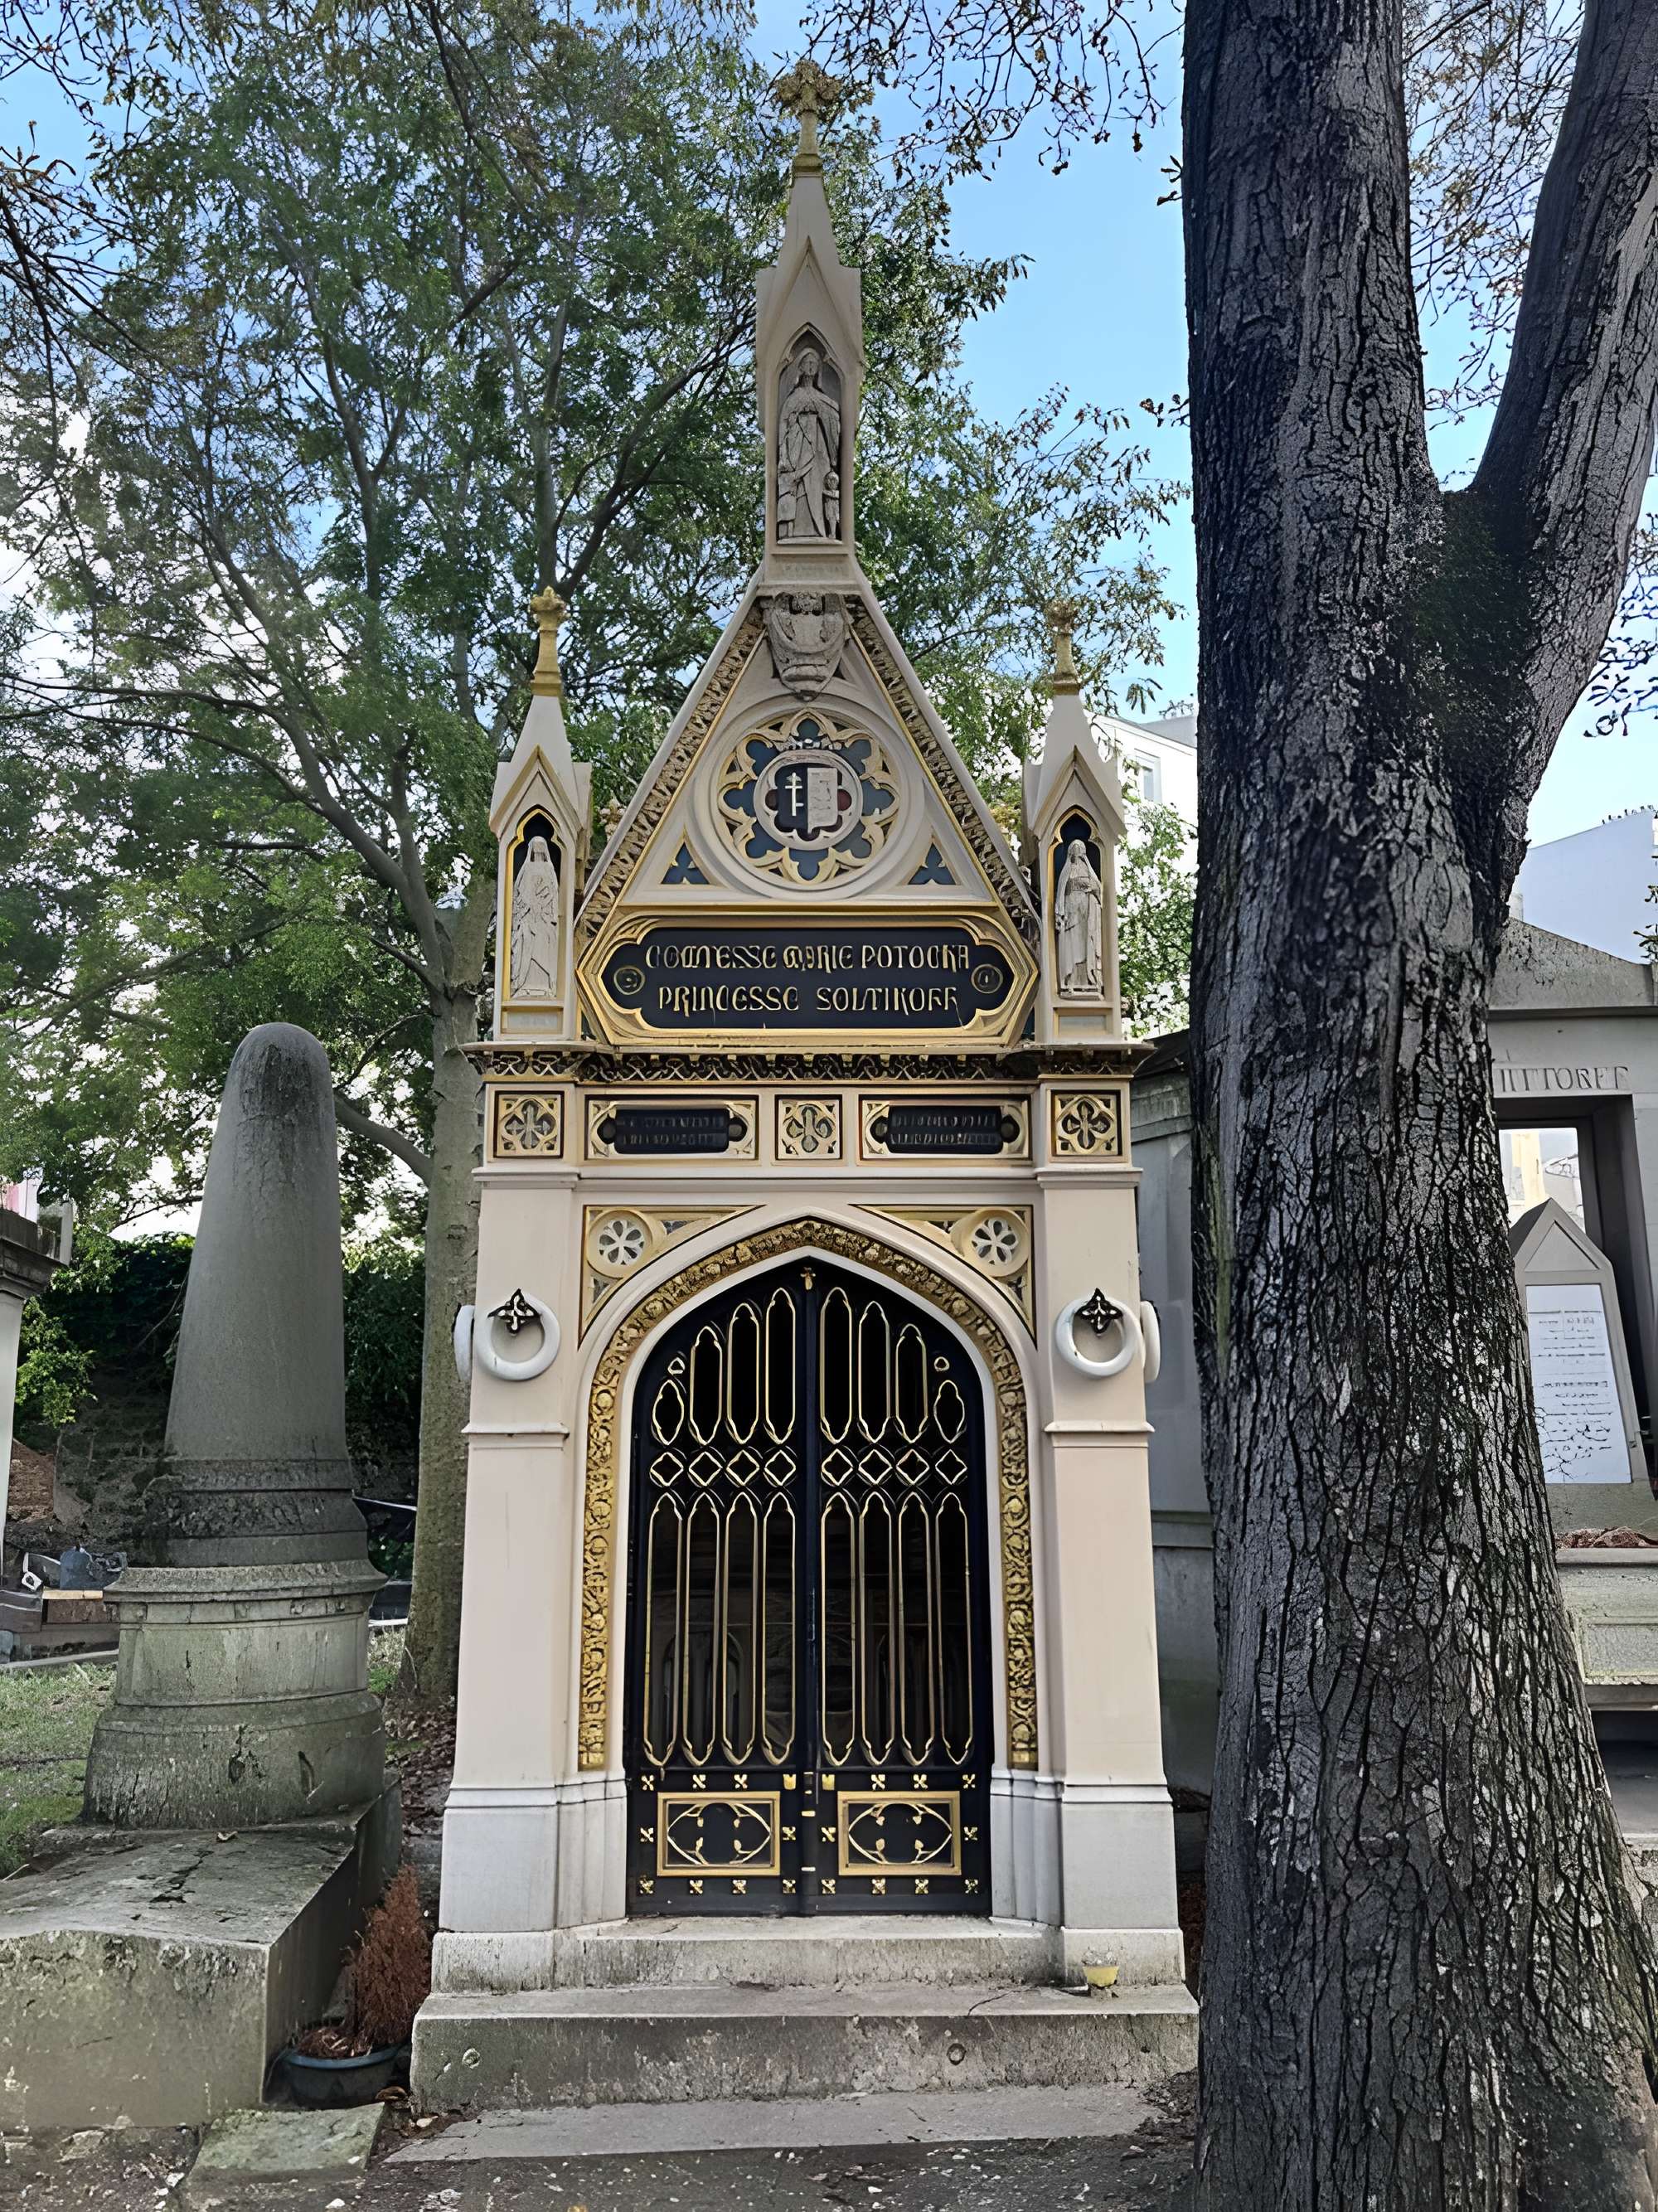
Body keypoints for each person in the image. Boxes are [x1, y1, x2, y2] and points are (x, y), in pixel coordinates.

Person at [778, 347, 841, 539]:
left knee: (818, 483)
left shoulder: (822, 397)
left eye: (815, 363)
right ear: (801, 367)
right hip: (799, 446)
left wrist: (820, 411)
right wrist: (784, 453)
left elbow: (835, 413)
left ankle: (822, 532)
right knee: (800, 485)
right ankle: (796, 531)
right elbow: (784, 422)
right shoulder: (793, 397)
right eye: (808, 362)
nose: (811, 366)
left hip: (819, 446)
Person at [511, 835, 560, 998]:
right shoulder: (527, 868)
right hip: (529, 915)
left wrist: (547, 910)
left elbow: (554, 892)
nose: (538, 848)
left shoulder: (549, 869)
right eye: (536, 845)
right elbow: (520, 891)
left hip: (544, 918)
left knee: (545, 947)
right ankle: (525, 986)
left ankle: (545, 986)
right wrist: (530, 905)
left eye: (541, 844)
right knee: (527, 946)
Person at [1055, 837, 1103, 995]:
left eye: (1079, 848)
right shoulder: (1067, 870)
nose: (1076, 851)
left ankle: (1087, 980)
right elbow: (1061, 891)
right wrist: (1060, 912)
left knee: (1085, 945)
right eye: (1074, 848)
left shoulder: (1088, 870)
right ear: (1070, 852)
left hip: (1086, 912)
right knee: (1072, 946)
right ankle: (1070, 980)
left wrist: (1092, 891)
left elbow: (1098, 889)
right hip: (1071, 912)